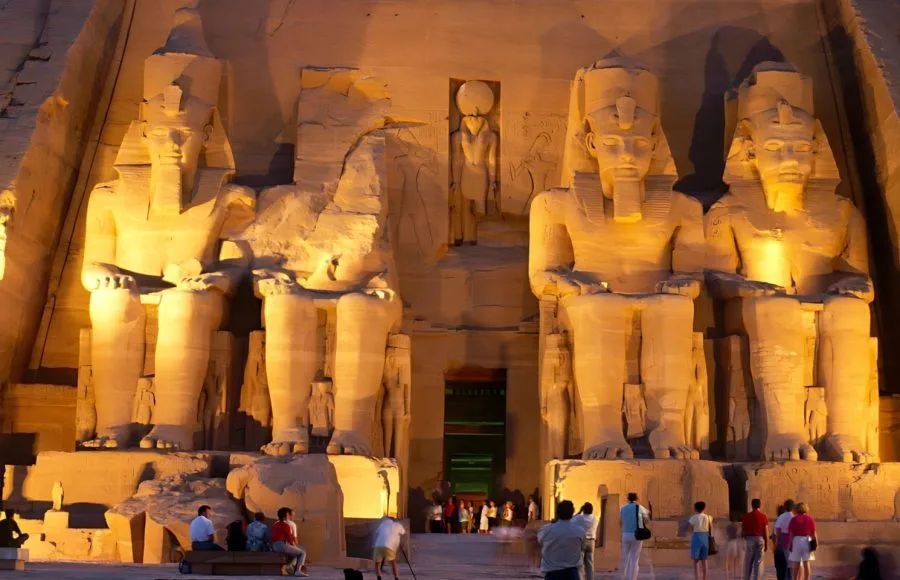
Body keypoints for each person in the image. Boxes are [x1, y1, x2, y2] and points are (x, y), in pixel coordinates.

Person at [537, 500, 584, 580]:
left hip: (553, 573)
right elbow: (583, 547)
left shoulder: (547, 529)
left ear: (557, 513)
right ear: (572, 513)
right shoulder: (579, 531)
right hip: (572, 573)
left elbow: (540, 540)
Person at [620, 492, 651, 580]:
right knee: (634, 558)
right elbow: (647, 520)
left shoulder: (623, 508)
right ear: (637, 499)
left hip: (625, 534)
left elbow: (621, 520)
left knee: (625, 558)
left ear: (627, 498)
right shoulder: (640, 508)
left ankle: (622, 577)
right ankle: (632, 578)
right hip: (637, 535)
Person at [272, 507, 308, 577]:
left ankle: (290, 567)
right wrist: (293, 545)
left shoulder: (275, 524)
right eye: (288, 514)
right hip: (282, 545)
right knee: (302, 553)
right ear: (285, 515)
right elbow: (290, 539)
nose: (289, 516)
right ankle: (297, 570)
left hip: (275, 546)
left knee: (297, 552)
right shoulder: (286, 525)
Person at [787, 502, 817, 580]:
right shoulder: (810, 519)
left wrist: (790, 545)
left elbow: (791, 534)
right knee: (806, 563)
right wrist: (815, 544)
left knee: (796, 564)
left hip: (796, 541)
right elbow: (813, 533)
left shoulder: (793, 519)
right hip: (806, 540)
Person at [741, 498, 768, 580]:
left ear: (751, 505)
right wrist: (766, 543)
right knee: (758, 563)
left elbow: (743, 530)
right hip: (760, 539)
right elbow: (766, 531)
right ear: (760, 505)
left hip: (749, 539)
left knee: (748, 563)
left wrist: (745, 538)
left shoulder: (746, 516)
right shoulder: (763, 516)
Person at [373, 516, 407, 580]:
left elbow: (377, 532)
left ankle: (379, 577)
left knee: (377, 563)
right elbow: (403, 532)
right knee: (393, 563)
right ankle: (396, 577)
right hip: (389, 546)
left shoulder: (383, 524)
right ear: (393, 520)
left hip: (378, 545)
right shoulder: (397, 525)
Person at [573, 502, 599, 580]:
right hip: (591, 542)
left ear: (583, 509)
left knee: (580, 564)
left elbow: (571, 520)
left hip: (581, 541)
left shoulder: (579, 518)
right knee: (590, 564)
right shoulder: (595, 518)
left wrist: (579, 512)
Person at [687, 501, 712, 580]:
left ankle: (697, 578)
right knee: (704, 560)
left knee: (696, 560)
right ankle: (705, 578)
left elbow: (690, 527)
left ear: (695, 508)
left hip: (697, 537)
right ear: (704, 508)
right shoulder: (708, 517)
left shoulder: (694, 517)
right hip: (705, 537)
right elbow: (711, 528)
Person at [774, 500, 796, 580]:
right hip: (793, 543)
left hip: (783, 542)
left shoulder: (781, 517)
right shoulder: (794, 517)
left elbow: (777, 532)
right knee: (791, 566)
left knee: (783, 566)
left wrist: (776, 544)